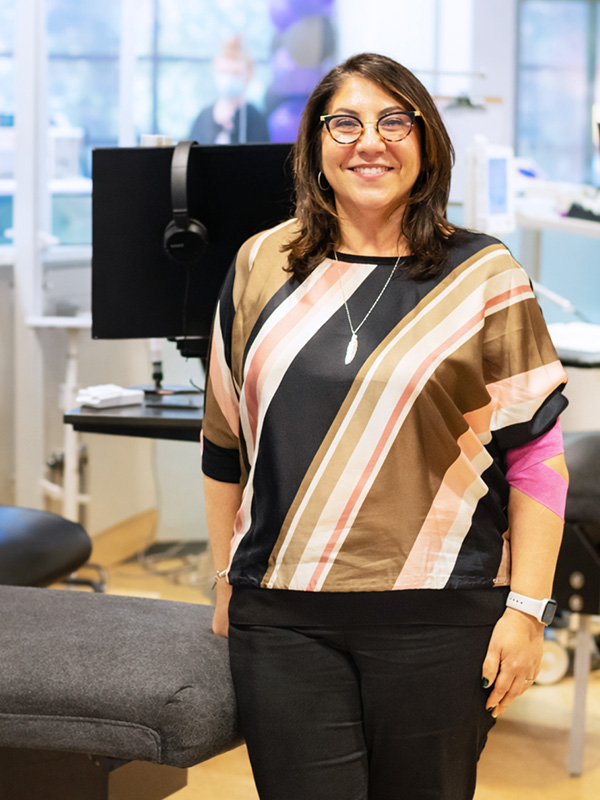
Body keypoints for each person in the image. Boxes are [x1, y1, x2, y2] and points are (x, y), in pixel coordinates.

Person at [201, 52, 569, 800]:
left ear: (426, 141)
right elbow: (222, 446)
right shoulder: (259, 265)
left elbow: (536, 462)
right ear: (314, 146)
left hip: (439, 615)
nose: (370, 140)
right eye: (345, 122)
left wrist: (528, 611)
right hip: (282, 616)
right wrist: (223, 579)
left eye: (394, 120)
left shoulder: (483, 274)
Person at [189, 36, 269, 145]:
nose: (228, 79)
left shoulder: (255, 118)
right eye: (224, 72)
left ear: (248, 75)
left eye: (235, 73)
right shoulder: (204, 117)